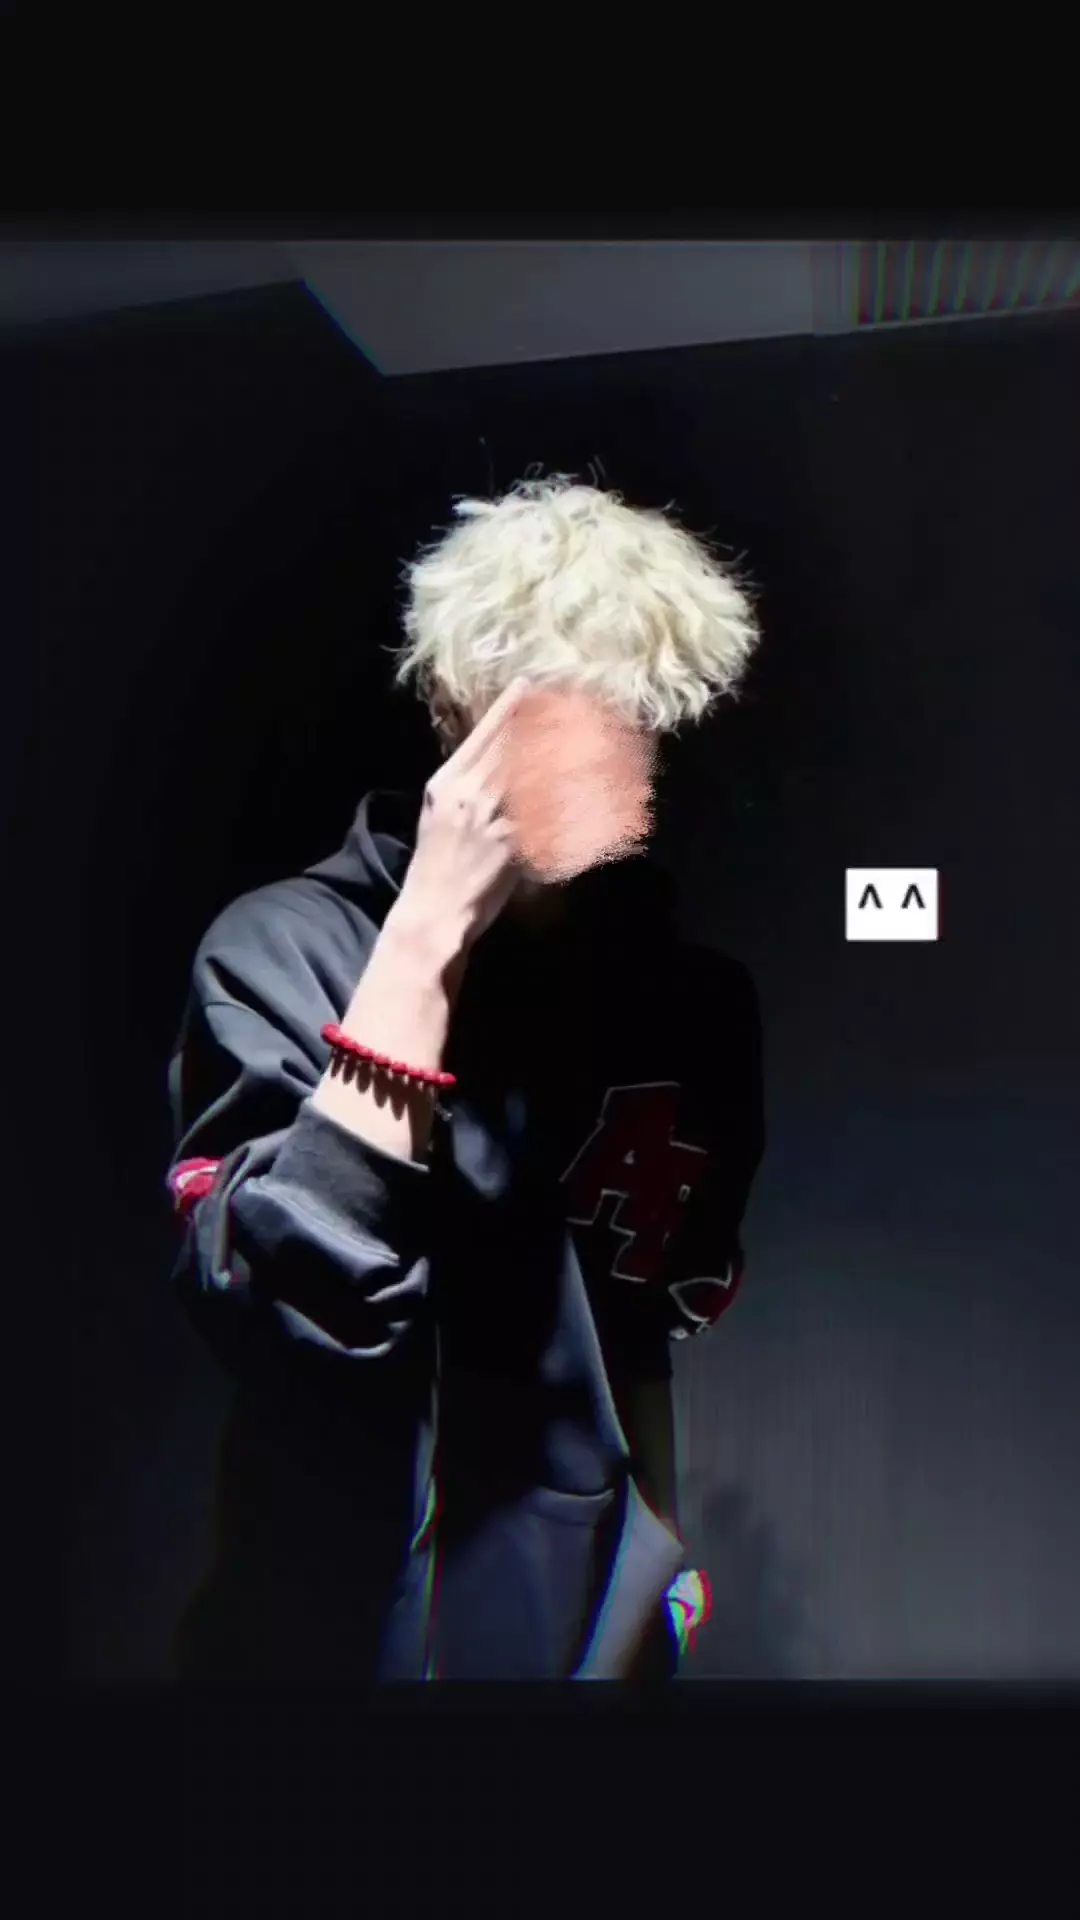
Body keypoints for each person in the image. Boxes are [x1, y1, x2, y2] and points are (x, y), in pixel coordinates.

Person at [166, 475, 765, 1682]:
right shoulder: (285, 949)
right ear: (456, 705)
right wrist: (433, 922)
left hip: (585, 1626)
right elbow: (291, 1312)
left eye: (634, 715)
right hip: (331, 1628)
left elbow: (636, 1320)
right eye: (554, 709)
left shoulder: (690, 1002)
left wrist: (662, 1549)